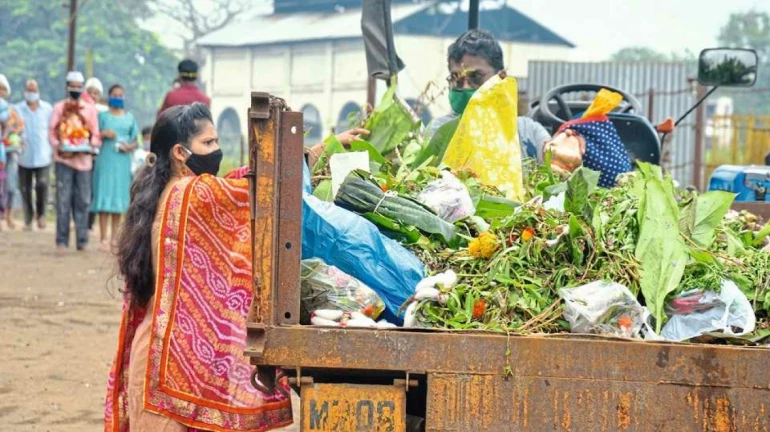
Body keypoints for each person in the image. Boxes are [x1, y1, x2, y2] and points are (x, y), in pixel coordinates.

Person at [107, 103, 292, 431]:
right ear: (180, 152)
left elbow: (238, 182)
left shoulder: (168, 191)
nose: (216, 151)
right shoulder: (189, 193)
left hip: (164, 360)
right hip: (163, 372)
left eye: (217, 142)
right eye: (208, 144)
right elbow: (250, 192)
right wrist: (305, 160)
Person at [425, 29, 551, 162]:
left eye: (475, 76)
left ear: (501, 77)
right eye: (456, 79)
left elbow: (556, 167)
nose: (465, 87)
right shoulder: (439, 132)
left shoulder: (529, 132)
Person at [49, 71, 100, 251]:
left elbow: (95, 135)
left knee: (83, 201)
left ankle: (82, 241)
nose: (75, 89)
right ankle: (61, 241)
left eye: (79, 86)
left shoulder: (90, 109)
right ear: (67, 86)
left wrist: (88, 145)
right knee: (63, 200)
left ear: (83, 88)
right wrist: (60, 146)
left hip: (84, 161)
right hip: (64, 160)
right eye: (72, 85)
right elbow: (52, 132)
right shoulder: (59, 108)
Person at [91, 84, 139, 250]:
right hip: (106, 159)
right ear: (109, 96)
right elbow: (93, 135)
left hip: (122, 161)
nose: (118, 97)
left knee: (119, 201)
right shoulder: (102, 116)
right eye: (115, 95)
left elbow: (135, 140)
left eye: (121, 95)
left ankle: (115, 238)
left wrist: (129, 147)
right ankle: (103, 238)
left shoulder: (130, 118)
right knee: (104, 198)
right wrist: (104, 134)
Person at [15, 79, 54, 230]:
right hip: (23, 155)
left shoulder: (47, 109)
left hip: (43, 155)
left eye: (34, 90)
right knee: (24, 188)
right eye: (29, 90)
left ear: (38, 91)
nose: (31, 93)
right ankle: (28, 218)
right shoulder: (18, 109)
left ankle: (42, 214)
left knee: (42, 184)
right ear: (25, 91)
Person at [0, 73, 24, 228]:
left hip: (11, 150)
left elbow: (20, 127)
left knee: (11, 184)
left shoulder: (11, 111)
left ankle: (9, 215)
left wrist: (9, 131)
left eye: (2, 89)